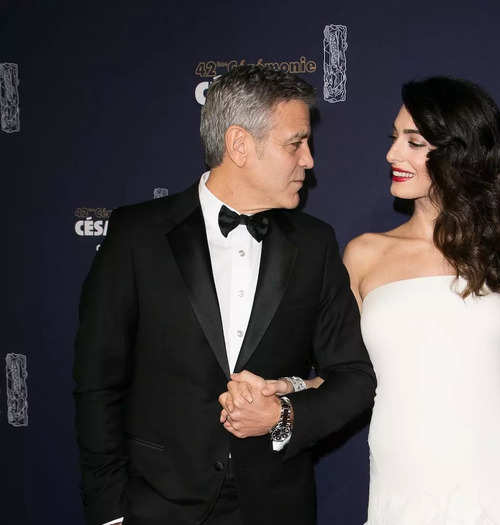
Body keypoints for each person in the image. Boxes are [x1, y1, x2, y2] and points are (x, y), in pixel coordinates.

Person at [226, 76, 500, 524]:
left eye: (414, 142)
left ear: (459, 150)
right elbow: (346, 378)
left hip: (495, 480)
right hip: (403, 482)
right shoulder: (364, 255)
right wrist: (287, 391)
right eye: (395, 138)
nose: (392, 154)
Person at [73, 65, 376, 525]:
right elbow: (98, 381)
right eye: (295, 143)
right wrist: (110, 512)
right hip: (157, 506)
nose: (309, 159)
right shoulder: (138, 236)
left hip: (275, 506)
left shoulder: (314, 244)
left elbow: (354, 378)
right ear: (239, 145)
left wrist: (281, 416)